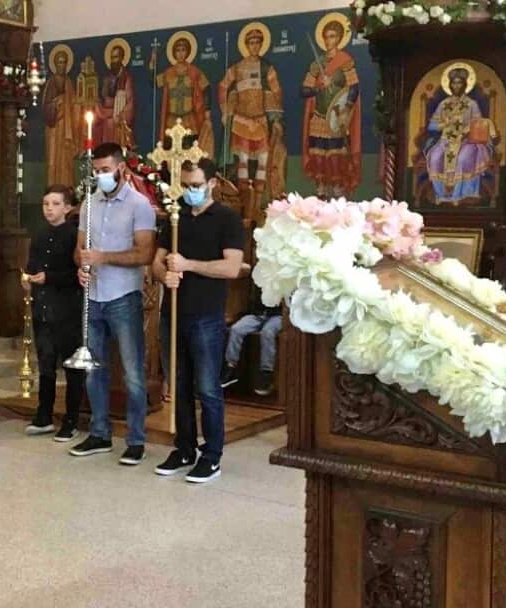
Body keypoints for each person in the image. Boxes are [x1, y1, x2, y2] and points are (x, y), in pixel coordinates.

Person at [151, 157, 243, 483]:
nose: (190, 192)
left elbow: (231, 267)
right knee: (178, 385)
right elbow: (157, 263)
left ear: (212, 184)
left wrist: (188, 265)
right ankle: (184, 447)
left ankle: (212, 454)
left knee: (207, 387)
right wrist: (166, 276)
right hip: (172, 312)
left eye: (196, 186)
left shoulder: (227, 219)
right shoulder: (175, 218)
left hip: (205, 314)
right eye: (186, 186)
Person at [70, 142, 156, 465]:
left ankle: (135, 439)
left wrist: (103, 257)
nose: (101, 176)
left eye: (106, 170)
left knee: (133, 372)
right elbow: (80, 249)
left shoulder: (139, 205)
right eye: (96, 171)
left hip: (123, 297)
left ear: (120, 168)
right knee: (94, 370)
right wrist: (81, 265)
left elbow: (144, 253)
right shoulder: (88, 205)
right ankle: (100, 433)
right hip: (93, 296)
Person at [23, 184, 85, 442]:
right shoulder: (38, 234)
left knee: (71, 365)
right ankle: (44, 414)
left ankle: (71, 419)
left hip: (67, 308)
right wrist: (26, 278)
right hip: (43, 307)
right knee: (46, 363)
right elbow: (31, 265)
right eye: (46, 204)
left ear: (68, 207)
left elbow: (76, 274)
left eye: (56, 204)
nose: (50, 209)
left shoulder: (73, 235)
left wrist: (48, 277)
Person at [218, 25, 286, 222]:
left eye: (257, 42)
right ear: (246, 45)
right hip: (241, 121)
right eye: (251, 42)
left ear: (261, 45)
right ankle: (245, 211)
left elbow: (276, 93)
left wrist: (276, 119)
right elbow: (222, 86)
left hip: (260, 121)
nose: (254, 46)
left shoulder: (267, 69)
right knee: (243, 163)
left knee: (263, 163)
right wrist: (225, 111)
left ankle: (256, 208)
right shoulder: (237, 68)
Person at [300, 19, 361, 199]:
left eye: (332, 36)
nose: (328, 41)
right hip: (319, 117)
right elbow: (304, 90)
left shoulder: (345, 62)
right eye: (326, 37)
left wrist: (346, 110)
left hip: (337, 117)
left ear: (339, 38)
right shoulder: (316, 64)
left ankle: (337, 190)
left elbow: (354, 88)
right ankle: (320, 189)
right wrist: (318, 86)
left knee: (336, 158)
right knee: (318, 157)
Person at [424, 67, 498, 205]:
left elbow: (478, 123)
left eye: (459, 83)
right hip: (445, 141)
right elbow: (431, 126)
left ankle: (459, 194)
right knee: (434, 157)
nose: (456, 85)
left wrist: (465, 130)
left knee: (462, 159)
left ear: (465, 85)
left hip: (468, 141)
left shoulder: (471, 104)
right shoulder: (443, 104)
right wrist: (444, 124)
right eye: (453, 83)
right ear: (449, 85)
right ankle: (440, 195)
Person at [222, 288, 282, 396]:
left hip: (278, 315)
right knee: (236, 329)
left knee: (267, 332)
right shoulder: (260, 274)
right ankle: (230, 367)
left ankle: (266, 372)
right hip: (257, 314)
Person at [42, 47, 79, 188]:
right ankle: (52, 188)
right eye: (59, 62)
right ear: (55, 65)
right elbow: (46, 106)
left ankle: (67, 188)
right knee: (53, 159)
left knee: (65, 160)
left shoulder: (69, 82)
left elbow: (74, 104)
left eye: (64, 62)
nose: (61, 65)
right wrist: (56, 104)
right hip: (54, 127)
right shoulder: (51, 83)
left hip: (66, 127)